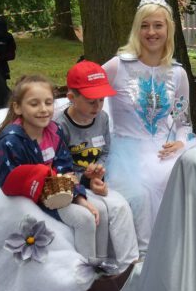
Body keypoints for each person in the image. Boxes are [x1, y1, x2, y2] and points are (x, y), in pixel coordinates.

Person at [102, 0, 196, 252]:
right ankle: (142, 259)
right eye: (144, 26)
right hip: (127, 151)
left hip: (165, 149)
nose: (151, 32)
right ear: (136, 29)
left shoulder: (177, 73)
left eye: (158, 25)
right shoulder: (116, 66)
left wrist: (179, 142)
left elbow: (183, 121)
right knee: (143, 191)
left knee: (189, 178)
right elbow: (87, 96)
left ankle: (181, 253)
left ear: (169, 29)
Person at [0, 75, 103, 260]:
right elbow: (9, 182)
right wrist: (43, 179)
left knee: (99, 208)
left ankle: (101, 261)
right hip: (33, 199)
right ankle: (86, 271)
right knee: (84, 220)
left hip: (59, 190)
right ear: (18, 107)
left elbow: (65, 166)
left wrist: (79, 197)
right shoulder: (11, 141)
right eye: (34, 104)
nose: (44, 110)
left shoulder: (54, 130)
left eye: (48, 102)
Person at [54, 60, 139, 266]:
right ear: (72, 98)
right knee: (98, 210)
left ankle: (130, 264)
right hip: (73, 184)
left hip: (94, 180)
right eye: (91, 101)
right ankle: (97, 264)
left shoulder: (102, 118)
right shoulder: (59, 125)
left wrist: (99, 171)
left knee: (120, 207)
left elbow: (105, 150)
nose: (97, 106)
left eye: (101, 100)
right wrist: (85, 178)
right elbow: (59, 164)